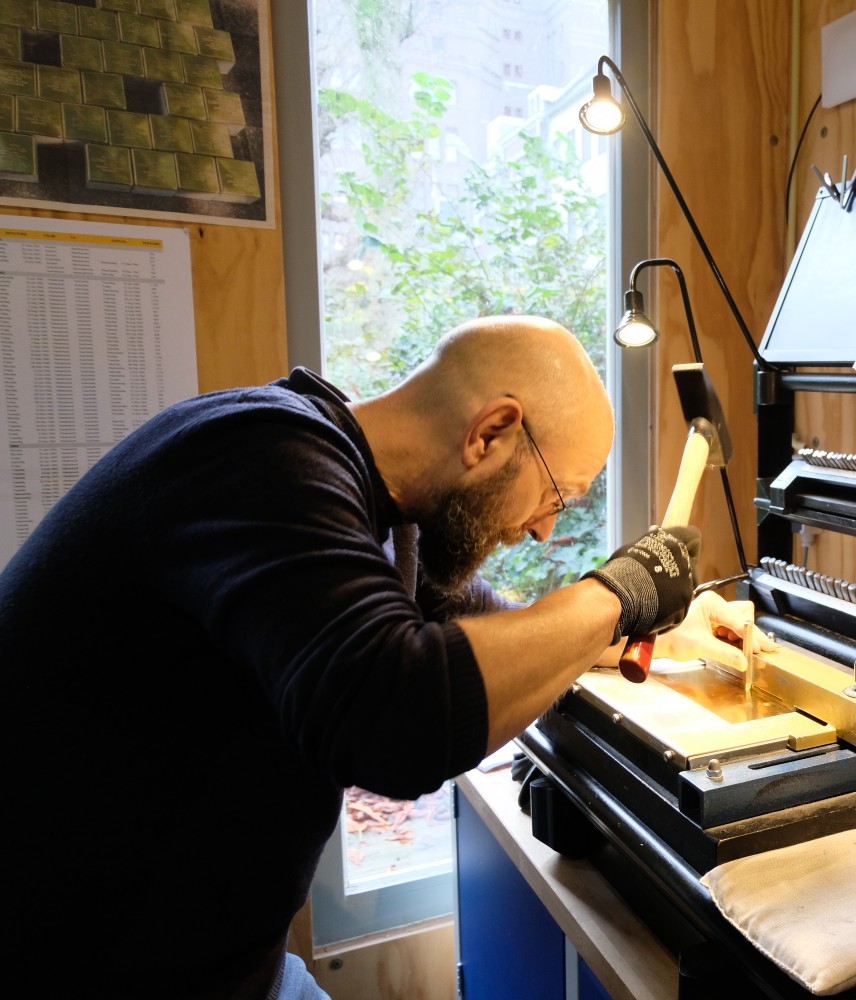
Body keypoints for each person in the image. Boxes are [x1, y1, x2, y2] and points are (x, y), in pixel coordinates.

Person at [1, 316, 754, 999]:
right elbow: (401, 715)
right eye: (558, 496)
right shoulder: (261, 458)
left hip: (229, 969)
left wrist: (658, 625)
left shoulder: (379, 511)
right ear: (491, 431)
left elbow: (484, 633)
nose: (543, 533)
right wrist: (619, 589)